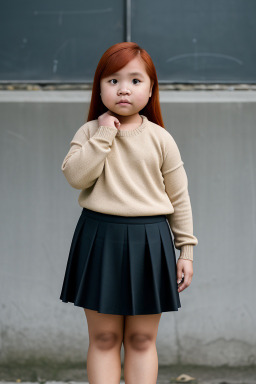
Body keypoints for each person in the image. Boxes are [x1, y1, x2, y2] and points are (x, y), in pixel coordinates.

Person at [59, 41, 198, 384]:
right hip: (99, 237)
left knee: (141, 339)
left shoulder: (161, 138)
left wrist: (187, 250)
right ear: (99, 87)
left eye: (136, 81)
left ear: (151, 90)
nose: (124, 89)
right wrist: (105, 133)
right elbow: (77, 177)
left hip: (150, 241)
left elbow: (179, 198)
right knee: (104, 338)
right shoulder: (90, 133)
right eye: (113, 80)